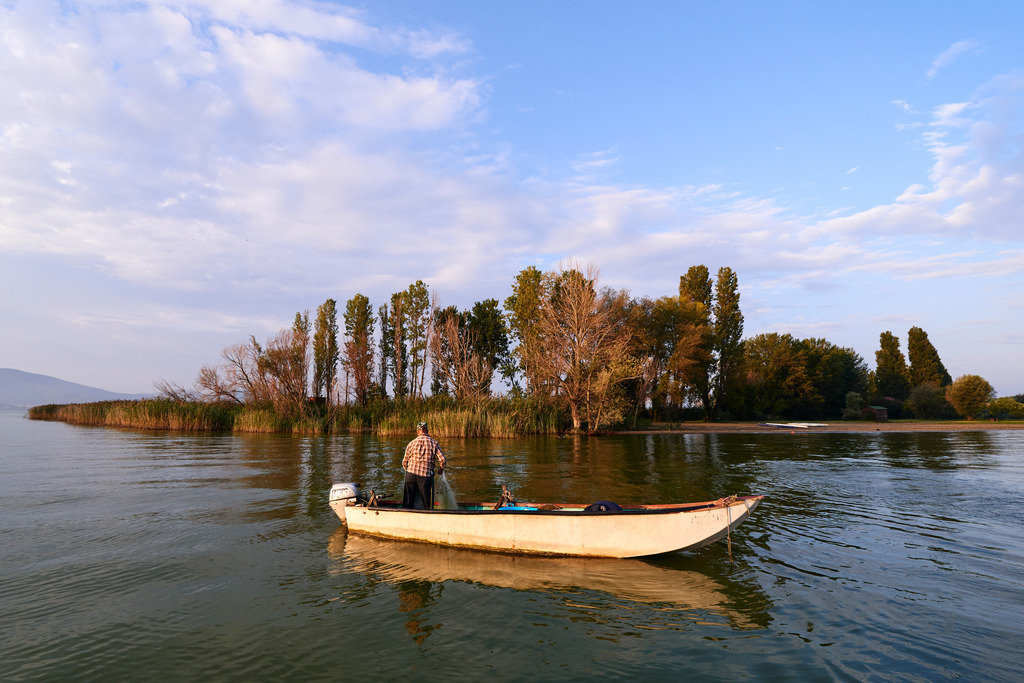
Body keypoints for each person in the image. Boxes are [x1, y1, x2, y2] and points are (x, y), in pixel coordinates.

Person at [402, 421, 446, 509]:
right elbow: (443, 460)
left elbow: (404, 463)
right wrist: (441, 469)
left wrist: (409, 470)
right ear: (427, 430)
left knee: (408, 502)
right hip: (425, 477)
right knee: (426, 504)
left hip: (411, 475)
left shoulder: (411, 443)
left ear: (418, 431)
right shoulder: (434, 443)